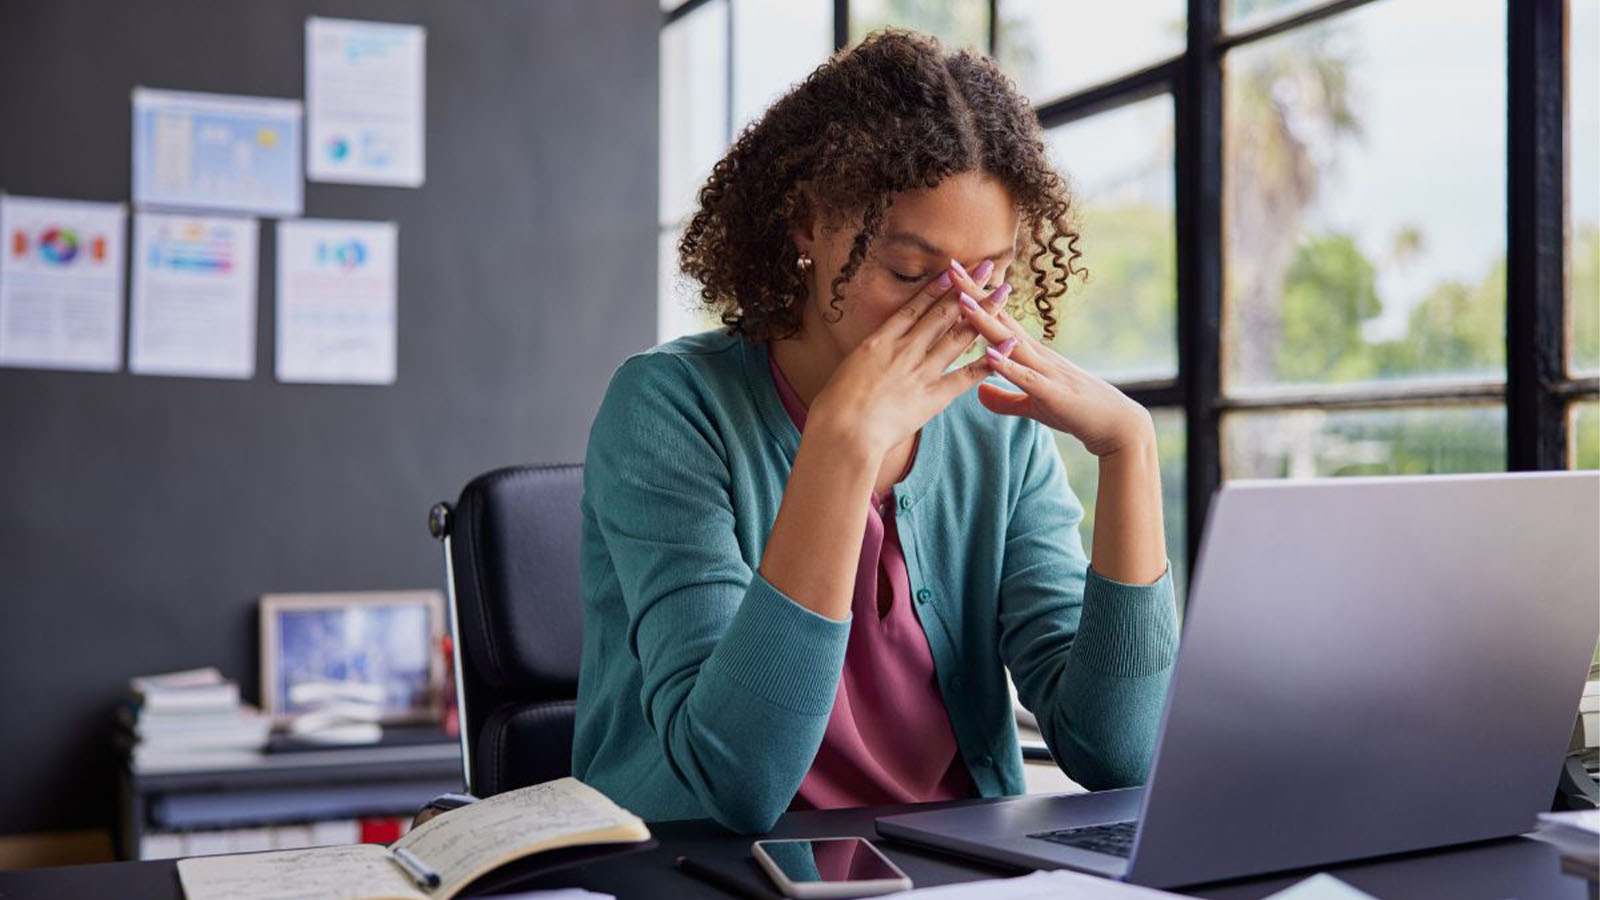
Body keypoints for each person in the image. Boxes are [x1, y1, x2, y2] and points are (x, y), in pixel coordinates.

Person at [572, 29, 1177, 834]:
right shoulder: (667, 408)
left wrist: (1129, 450)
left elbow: (1120, 753)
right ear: (807, 227)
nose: (958, 312)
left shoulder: (997, 428)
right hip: (717, 870)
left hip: (963, 874)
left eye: (988, 275)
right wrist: (842, 446)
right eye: (909, 273)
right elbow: (735, 780)